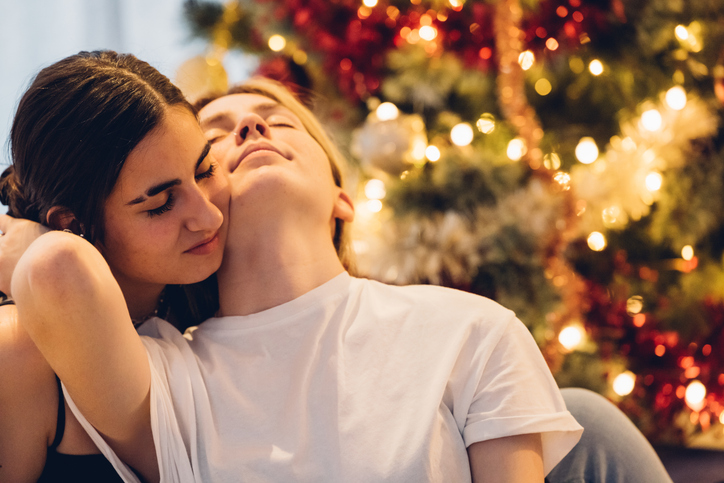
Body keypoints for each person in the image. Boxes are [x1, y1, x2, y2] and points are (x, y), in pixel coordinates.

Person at [0, 50, 229, 482]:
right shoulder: (17, 352)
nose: (209, 217)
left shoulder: (219, 290)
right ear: (73, 223)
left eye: (205, 170)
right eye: (160, 204)